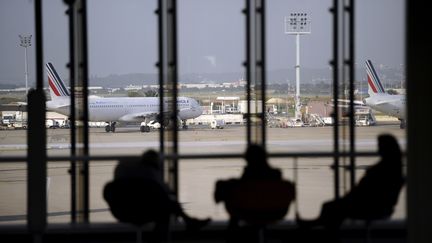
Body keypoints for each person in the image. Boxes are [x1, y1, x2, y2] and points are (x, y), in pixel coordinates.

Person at [297, 134, 404, 233]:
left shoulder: (382, 169)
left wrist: (348, 198)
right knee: (333, 209)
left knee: (331, 208)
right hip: (378, 205)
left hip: (372, 206)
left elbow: (364, 190)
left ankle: (319, 229)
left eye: (380, 146)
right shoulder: (393, 167)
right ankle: (320, 228)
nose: (378, 149)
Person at [113, 149, 211, 232]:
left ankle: (188, 221)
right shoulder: (149, 174)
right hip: (137, 212)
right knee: (167, 207)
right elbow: (165, 190)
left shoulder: (125, 172)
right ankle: (167, 233)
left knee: (165, 204)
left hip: (121, 211)